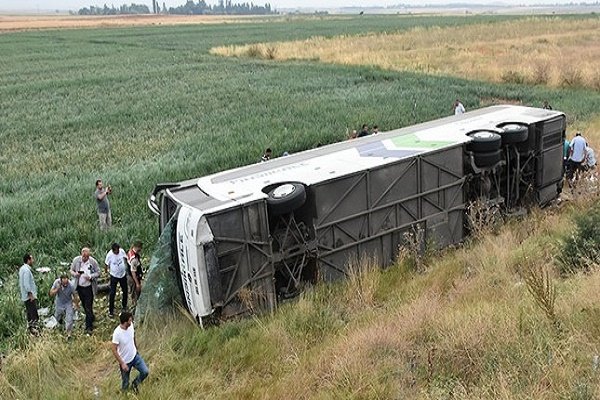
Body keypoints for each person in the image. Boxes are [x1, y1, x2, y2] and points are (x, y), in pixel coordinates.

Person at [111, 311, 149, 393]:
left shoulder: (130, 326)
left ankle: (135, 384)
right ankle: (125, 395)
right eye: (129, 321)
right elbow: (114, 349)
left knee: (145, 372)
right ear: (125, 322)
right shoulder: (117, 333)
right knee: (125, 384)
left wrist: (136, 347)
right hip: (125, 361)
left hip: (135, 356)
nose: (131, 322)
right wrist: (122, 363)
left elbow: (133, 336)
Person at [70, 247, 100, 334]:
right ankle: (91, 317)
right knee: (84, 305)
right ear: (81, 255)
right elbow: (71, 270)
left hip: (89, 287)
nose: (84, 258)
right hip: (79, 287)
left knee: (88, 306)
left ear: (89, 256)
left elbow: (98, 272)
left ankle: (89, 327)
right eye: (83, 256)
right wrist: (75, 274)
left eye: (86, 257)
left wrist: (90, 276)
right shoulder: (76, 260)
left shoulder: (93, 262)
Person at [49, 274, 77, 338]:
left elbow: (75, 295)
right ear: (61, 281)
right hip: (59, 302)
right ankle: (59, 326)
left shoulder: (71, 285)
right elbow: (51, 293)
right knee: (57, 317)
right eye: (63, 283)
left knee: (69, 318)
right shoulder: (56, 282)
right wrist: (57, 288)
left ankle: (69, 333)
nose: (65, 285)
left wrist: (76, 304)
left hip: (68, 302)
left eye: (66, 283)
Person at [106, 243, 128, 317]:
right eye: (116, 251)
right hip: (114, 275)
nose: (117, 252)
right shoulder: (109, 255)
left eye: (118, 250)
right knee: (112, 293)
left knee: (125, 290)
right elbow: (106, 264)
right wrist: (107, 272)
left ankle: (124, 306)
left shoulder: (121, 251)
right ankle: (111, 311)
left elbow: (126, 258)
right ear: (113, 250)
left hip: (122, 274)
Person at [19, 254, 39, 334]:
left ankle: (30, 329)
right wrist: (31, 295)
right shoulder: (26, 270)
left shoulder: (22, 269)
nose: (33, 260)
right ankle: (34, 331)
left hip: (25, 296)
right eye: (32, 259)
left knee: (29, 313)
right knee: (33, 314)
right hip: (29, 296)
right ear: (28, 260)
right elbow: (26, 284)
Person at [127, 241, 143, 308]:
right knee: (135, 292)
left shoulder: (130, 251)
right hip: (133, 277)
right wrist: (137, 284)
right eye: (140, 248)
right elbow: (133, 272)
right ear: (137, 247)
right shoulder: (133, 259)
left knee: (134, 291)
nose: (141, 249)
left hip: (132, 275)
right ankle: (135, 306)